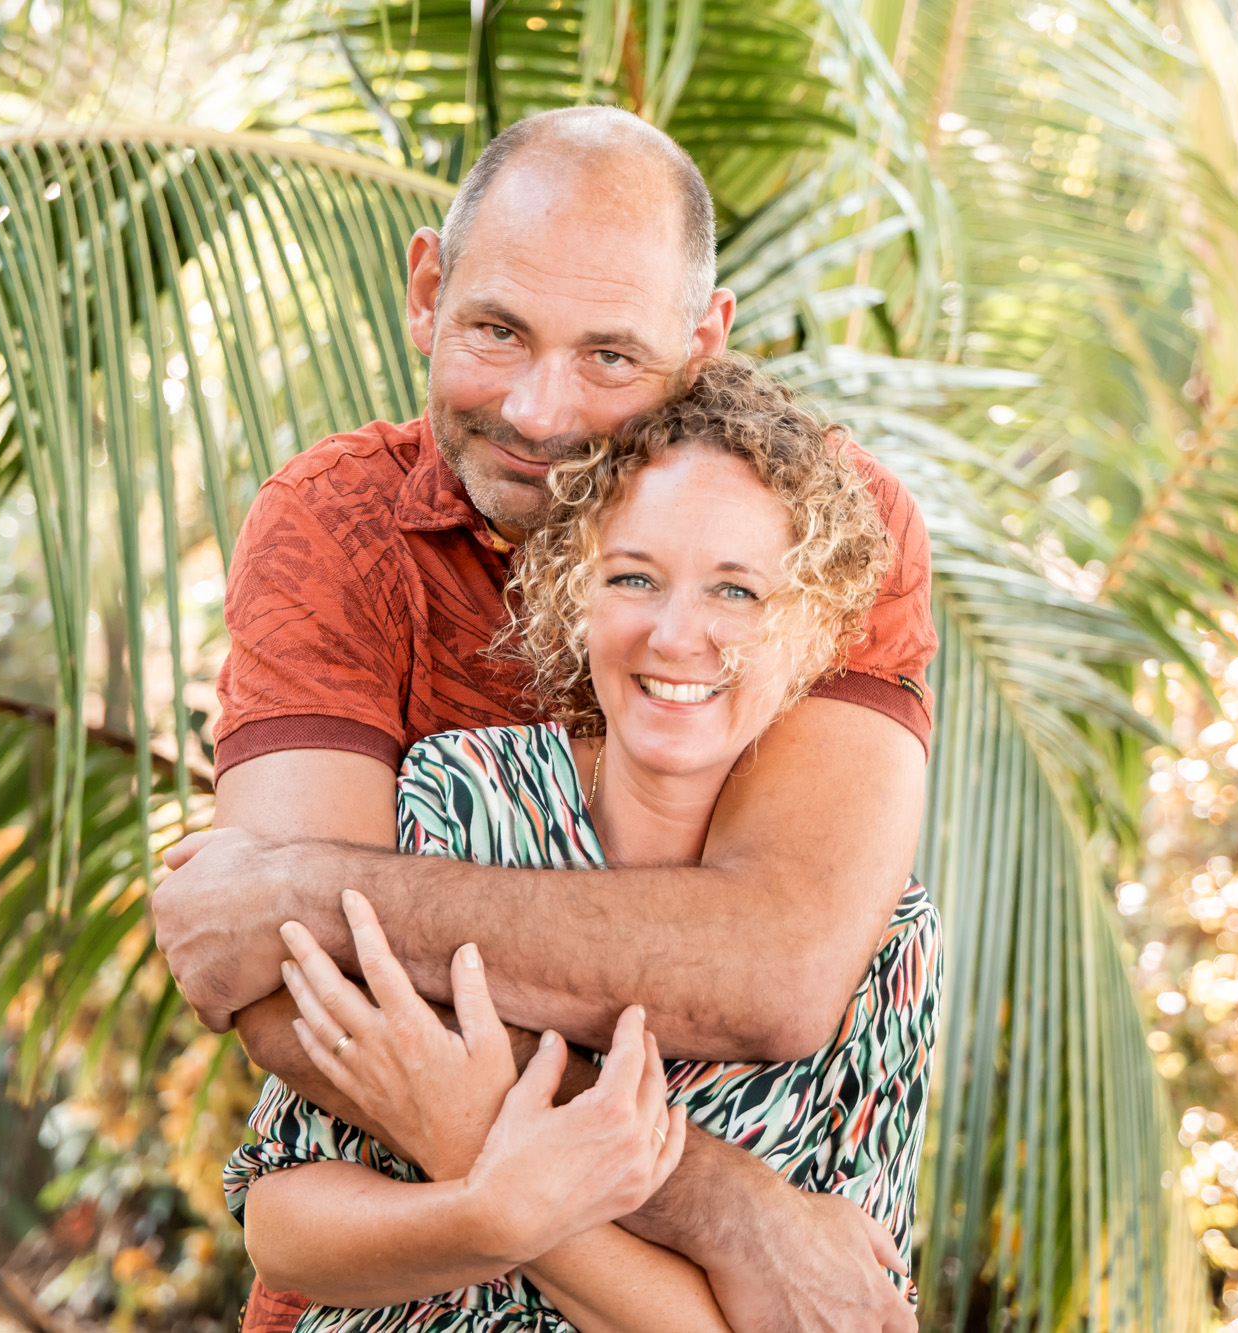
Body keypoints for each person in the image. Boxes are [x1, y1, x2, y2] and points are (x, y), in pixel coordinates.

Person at [151, 105, 938, 1329]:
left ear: (700, 339)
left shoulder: (820, 530)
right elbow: (291, 996)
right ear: (426, 291)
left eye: (610, 357)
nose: (537, 410)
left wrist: (302, 887)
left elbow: (776, 968)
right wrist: (710, 1203)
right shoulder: (340, 536)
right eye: (495, 330)